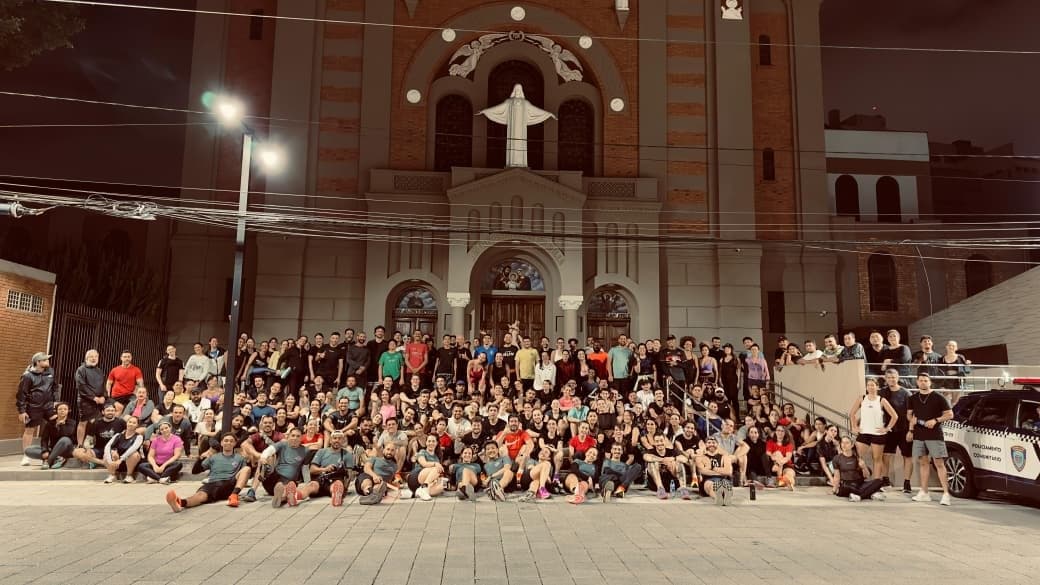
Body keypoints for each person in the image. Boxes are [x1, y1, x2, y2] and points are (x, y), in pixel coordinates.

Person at [166, 432, 252, 512]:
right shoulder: (213, 457)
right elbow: (195, 471)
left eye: (231, 441)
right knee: (200, 495)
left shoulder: (240, 458)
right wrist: (199, 460)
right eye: (226, 441)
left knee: (246, 469)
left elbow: (245, 475)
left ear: (234, 444)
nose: (228, 443)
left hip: (230, 483)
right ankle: (180, 503)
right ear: (221, 443)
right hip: (213, 483)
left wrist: (249, 461)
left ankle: (234, 496)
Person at [906, 372, 953, 506]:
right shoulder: (913, 398)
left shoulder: (938, 397)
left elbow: (950, 414)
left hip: (934, 435)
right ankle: (924, 492)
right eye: (921, 380)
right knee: (923, 463)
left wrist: (935, 420)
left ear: (930, 382)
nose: (923, 382)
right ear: (917, 382)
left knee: (939, 463)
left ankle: (946, 494)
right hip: (919, 435)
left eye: (926, 380)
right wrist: (912, 422)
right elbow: (909, 415)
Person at [254, 427, 319, 508]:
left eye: (298, 436)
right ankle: (256, 489)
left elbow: (305, 469)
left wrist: (307, 483)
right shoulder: (282, 444)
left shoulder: (305, 451)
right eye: (293, 435)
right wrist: (263, 458)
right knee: (266, 460)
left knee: (288, 486)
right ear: (288, 436)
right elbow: (269, 450)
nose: (295, 438)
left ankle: (280, 498)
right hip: (274, 478)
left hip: (289, 481)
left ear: (301, 438)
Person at [849, 378, 898, 480]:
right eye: (868, 385)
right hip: (864, 433)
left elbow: (894, 416)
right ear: (866, 387)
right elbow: (852, 414)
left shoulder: (882, 400)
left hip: (878, 434)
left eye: (873, 385)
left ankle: (876, 483)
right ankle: (857, 479)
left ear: (877, 387)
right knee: (857, 457)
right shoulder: (861, 398)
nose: (870, 387)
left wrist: (887, 428)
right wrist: (854, 427)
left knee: (877, 459)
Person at [16, 352, 58, 466]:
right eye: (45, 360)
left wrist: (55, 401)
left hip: (48, 405)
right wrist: (22, 410)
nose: (47, 362)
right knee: (30, 430)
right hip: (33, 406)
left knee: (56, 425)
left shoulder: (50, 372)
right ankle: (26, 455)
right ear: (38, 362)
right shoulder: (27, 376)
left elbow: (55, 387)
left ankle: (55, 452)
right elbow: (21, 394)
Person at [879, 368, 914, 493]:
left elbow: (912, 414)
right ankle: (885, 480)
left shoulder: (906, 393)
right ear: (885, 379)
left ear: (898, 378)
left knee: (907, 456)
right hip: (888, 430)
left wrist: (911, 430)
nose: (891, 380)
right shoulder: (882, 392)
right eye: (889, 378)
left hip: (904, 429)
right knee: (886, 455)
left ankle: (907, 483)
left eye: (893, 377)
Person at [831, 436, 885, 502]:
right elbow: (837, 476)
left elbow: (867, 476)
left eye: (847, 443)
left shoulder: (857, 457)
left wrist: (864, 467)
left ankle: (859, 496)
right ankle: (869, 493)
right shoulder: (837, 458)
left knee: (879, 481)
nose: (844, 445)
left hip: (859, 484)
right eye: (842, 442)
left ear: (852, 445)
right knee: (848, 488)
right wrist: (834, 489)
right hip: (846, 485)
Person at [309, 430, 356, 507]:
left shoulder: (347, 455)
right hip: (321, 479)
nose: (337, 440)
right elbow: (312, 470)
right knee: (311, 486)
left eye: (340, 438)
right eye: (335, 438)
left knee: (337, 485)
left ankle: (337, 495)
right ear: (330, 440)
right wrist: (325, 469)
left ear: (343, 440)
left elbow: (349, 474)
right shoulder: (321, 452)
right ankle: (297, 495)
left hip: (335, 480)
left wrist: (345, 488)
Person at [26, 401, 76, 469]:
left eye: (65, 409)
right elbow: (44, 439)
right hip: (53, 449)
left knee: (64, 439)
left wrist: (61, 425)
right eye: (60, 409)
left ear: (68, 411)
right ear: (56, 411)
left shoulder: (72, 422)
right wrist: (45, 450)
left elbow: (66, 435)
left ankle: (48, 461)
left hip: (66, 449)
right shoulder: (50, 423)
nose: (62, 411)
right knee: (28, 450)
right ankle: (57, 458)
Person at [75, 349, 106, 446]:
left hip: (99, 402)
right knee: (83, 422)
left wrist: (103, 397)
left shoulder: (99, 371)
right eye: (91, 357)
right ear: (86, 358)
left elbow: (103, 386)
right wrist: (93, 398)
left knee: (96, 423)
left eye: (95, 357)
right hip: (85, 401)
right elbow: (81, 386)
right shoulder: (81, 369)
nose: (94, 359)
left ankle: (90, 444)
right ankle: (80, 445)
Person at [102, 415, 144, 484]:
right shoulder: (118, 435)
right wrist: (110, 461)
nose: (131, 424)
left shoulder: (139, 437)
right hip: (117, 463)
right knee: (108, 454)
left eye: (134, 423)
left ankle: (129, 475)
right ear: (126, 423)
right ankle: (112, 475)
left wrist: (120, 459)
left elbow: (132, 449)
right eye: (130, 422)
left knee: (134, 454)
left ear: (137, 425)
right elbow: (107, 447)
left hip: (132, 463)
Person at [696, 436, 735, 505]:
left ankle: (725, 496)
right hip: (707, 480)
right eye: (709, 442)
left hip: (722, 480)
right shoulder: (700, 457)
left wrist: (712, 467)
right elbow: (703, 471)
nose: (711, 444)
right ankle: (719, 498)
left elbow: (728, 471)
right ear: (705, 445)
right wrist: (721, 472)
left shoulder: (724, 456)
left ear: (717, 444)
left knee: (724, 485)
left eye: (714, 442)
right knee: (712, 485)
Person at [407, 434, 446, 501]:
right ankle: (424, 488)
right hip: (416, 477)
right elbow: (424, 464)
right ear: (426, 442)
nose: (431, 443)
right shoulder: (422, 452)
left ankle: (420, 492)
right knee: (436, 468)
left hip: (426, 481)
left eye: (433, 441)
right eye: (429, 441)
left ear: (437, 443)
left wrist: (437, 480)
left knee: (442, 486)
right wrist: (435, 463)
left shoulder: (437, 457)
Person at [106, 350, 144, 417]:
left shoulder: (136, 370)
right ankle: (114, 424)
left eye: (128, 357)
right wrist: (108, 395)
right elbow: (109, 383)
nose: (127, 358)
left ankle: (133, 422)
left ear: (131, 358)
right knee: (115, 410)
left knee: (138, 404)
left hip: (129, 395)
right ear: (121, 358)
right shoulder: (115, 370)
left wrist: (140, 393)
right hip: (116, 395)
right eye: (125, 357)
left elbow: (140, 383)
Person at [766, 425, 796, 490]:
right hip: (773, 464)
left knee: (789, 474)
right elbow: (769, 454)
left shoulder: (789, 444)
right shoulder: (770, 442)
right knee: (778, 453)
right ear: (775, 432)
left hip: (786, 465)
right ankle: (780, 478)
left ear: (785, 433)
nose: (780, 432)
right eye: (778, 430)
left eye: (782, 431)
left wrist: (779, 463)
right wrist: (776, 461)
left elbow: (788, 457)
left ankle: (788, 482)